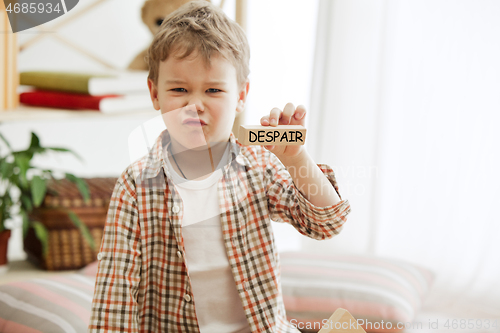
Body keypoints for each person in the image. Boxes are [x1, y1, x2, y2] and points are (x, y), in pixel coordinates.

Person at [88, 1, 351, 332]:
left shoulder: (258, 167)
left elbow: (327, 222)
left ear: (241, 95)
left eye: (213, 90)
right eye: (179, 89)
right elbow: (115, 294)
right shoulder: (136, 184)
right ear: (155, 94)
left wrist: (296, 158)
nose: (194, 104)